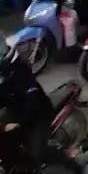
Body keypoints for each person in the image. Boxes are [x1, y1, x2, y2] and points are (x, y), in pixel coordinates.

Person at [0, 39, 53, 170]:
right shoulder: (4, 79)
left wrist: (18, 123)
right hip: (15, 108)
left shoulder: (23, 75)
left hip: (36, 115)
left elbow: (33, 105)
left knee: (34, 155)